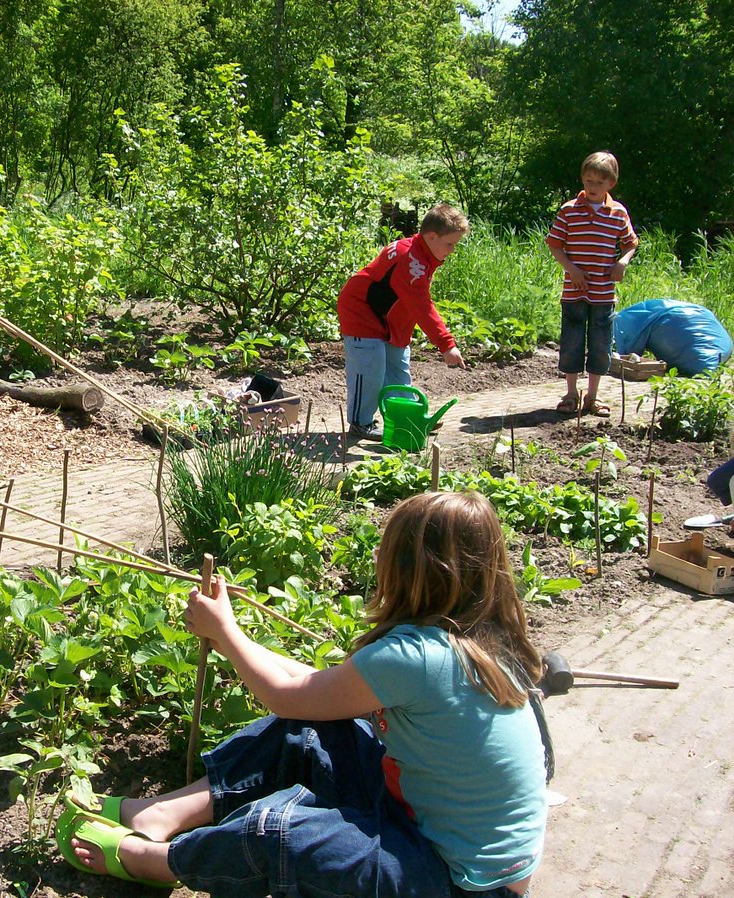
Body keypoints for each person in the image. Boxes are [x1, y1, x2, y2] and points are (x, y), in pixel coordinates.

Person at [57, 491, 547, 897]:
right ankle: (163, 812)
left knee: (286, 832)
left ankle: (159, 861)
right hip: (438, 833)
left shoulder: (417, 656)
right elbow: (312, 691)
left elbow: (285, 695)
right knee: (309, 732)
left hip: (459, 884)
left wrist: (226, 634)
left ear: (407, 569)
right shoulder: (484, 640)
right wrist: (233, 635)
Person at [337, 203, 469, 441]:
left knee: (398, 367)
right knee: (370, 369)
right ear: (432, 236)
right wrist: (446, 344)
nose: (452, 250)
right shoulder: (412, 261)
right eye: (450, 244)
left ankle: (404, 419)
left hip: (387, 318)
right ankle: (360, 422)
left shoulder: (422, 252)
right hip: (361, 312)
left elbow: (405, 301)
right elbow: (422, 307)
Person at [546, 151, 639, 418]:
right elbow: (554, 244)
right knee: (572, 341)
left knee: (600, 344)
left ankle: (593, 396)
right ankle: (571, 393)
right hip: (574, 292)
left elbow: (631, 243)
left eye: (599, 182)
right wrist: (571, 268)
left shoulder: (618, 212)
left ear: (611, 183)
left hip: (603, 293)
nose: (592, 187)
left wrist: (622, 262)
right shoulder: (569, 210)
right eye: (588, 181)